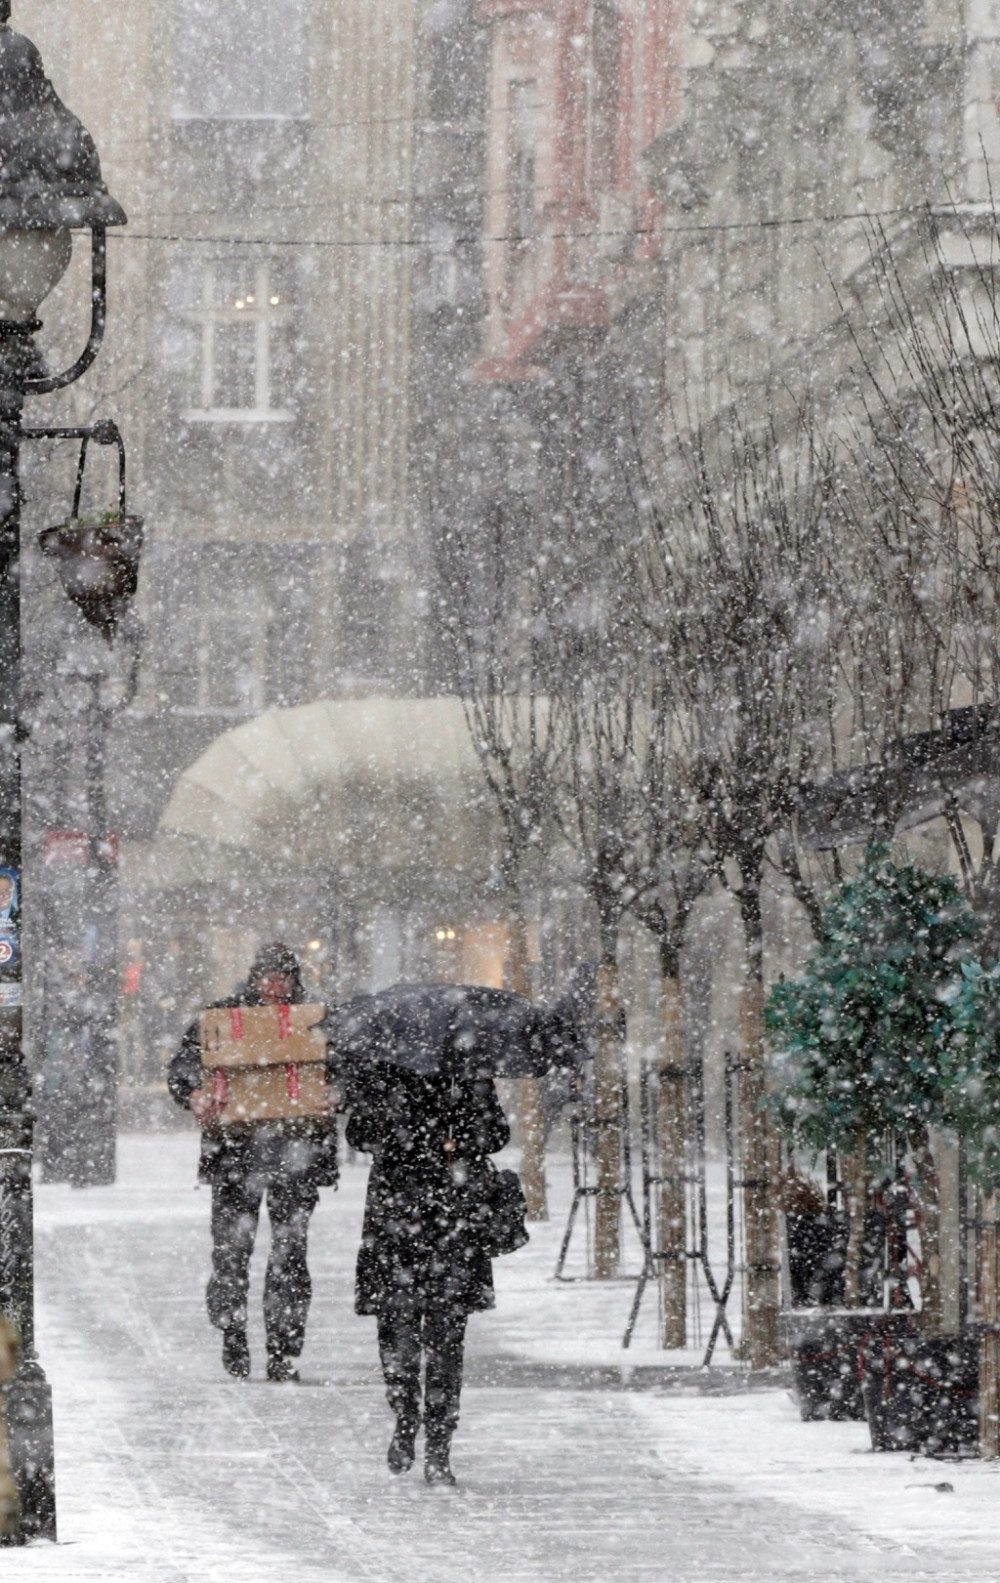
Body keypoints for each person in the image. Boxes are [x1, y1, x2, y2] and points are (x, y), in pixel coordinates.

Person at [168, 941, 338, 1382]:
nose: (275, 986)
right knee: (231, 1252)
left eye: (282, 977)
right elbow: (184, 1065)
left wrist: (335, 1096)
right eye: (267, 976)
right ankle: (233, 1331)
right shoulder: (224, 1018)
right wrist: (194, 1093)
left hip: (295, 1153)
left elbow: (341, 1071)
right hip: (235, 1153)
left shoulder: (316, 1021)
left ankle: (283, 1350)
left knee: (290, 1255)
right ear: (253, 976)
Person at [346, 1063, 509, 1485]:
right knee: (397, 1332)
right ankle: (404, 1415)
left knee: (446, 1338)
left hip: (453, 1220)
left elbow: (496, 1135)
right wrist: (408, 1136)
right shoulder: (379, 1070)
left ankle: (439, 1445)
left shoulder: (467, 1072)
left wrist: (461, 1136)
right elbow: (358, 1135)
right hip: (394, 1218)